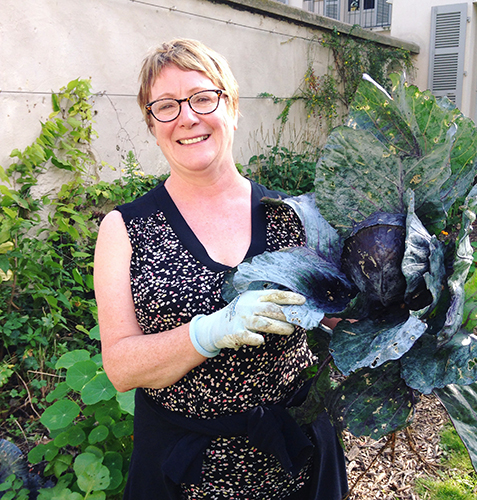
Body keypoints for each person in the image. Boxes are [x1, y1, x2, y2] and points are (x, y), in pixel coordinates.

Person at [94, 38, 349, 500]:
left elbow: (341, 317)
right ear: (153, 126)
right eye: (166, 106)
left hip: (295, 457)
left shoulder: (293, 215)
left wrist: (401, 297)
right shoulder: (124, 229)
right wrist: (208, 332)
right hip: (183, 469)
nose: (187, 117)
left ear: (231, 106)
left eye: (202, 98)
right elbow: (120, 367)